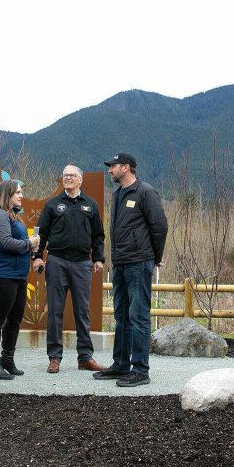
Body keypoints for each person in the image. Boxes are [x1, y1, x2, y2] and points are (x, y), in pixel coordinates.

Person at [93, 153, 168, 387]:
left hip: (139, 262)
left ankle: (140, 369)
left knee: (139, 316)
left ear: (126, 167)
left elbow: (160, 226)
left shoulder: (145, 192)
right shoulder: (118, 195)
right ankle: (121, 365)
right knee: (121, 316)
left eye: (113, 166)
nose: (109, 170)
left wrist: (156, 256)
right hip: (121, 263)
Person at [33, 164, 106, 374]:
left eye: (72, 175)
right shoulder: (53, 205)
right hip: (56, 261)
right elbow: (41, 233)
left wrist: (98, 259)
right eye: (65, 175)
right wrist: (38, 257)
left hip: (82, 263)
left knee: (82, 311)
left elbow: (98, 236)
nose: (68, 178)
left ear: (80, 179)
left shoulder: (90, 205)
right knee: (55, 311)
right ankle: (54, 357)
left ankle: (85, 357)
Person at [0, 179, 40, 380]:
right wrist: (28, 243)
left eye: (21, 192)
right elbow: (5, 243)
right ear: (6, 195)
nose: (21, 195)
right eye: (17, 192)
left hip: (17, 276)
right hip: (1, 276)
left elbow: (17, 245)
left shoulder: (13, 217)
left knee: (15, 320)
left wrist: (31, 249)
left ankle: (7, 359)